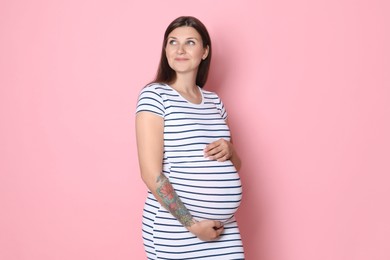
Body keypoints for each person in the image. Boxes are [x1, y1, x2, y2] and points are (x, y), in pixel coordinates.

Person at [135, 16, 245, 259]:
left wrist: (230, 149)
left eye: (190, 42)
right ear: (165, 50)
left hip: (223, 230)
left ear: (205, 51)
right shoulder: (155, 96)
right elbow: (150, 173)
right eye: (173, 42)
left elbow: (234, 165)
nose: (180, 49)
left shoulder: (215, 102)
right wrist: (193, 226)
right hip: (175, 228)